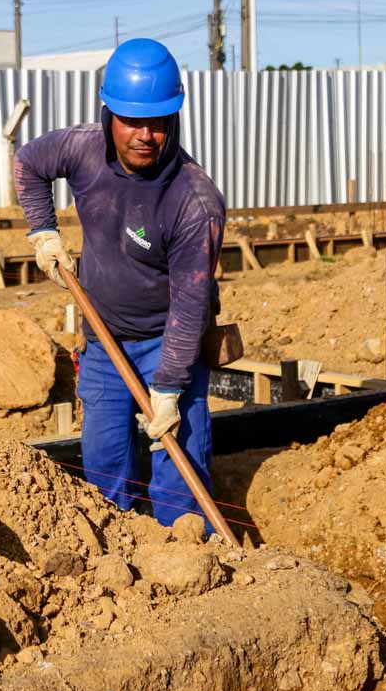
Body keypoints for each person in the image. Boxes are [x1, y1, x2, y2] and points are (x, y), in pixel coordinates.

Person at [13, 38, 227, 528]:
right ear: (108, 112)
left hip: (169, 342)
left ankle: (187, 556)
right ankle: (119, 561)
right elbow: (28, 162)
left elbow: (190, 306)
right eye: (133, 120)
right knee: (105, 465)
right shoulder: (84, 149)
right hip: (102, 339)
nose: (145, 135)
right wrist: (43, 229)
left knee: (179, 467)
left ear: (174, 117)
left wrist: (169, 388)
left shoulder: (194, 202)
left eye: (157, 122)